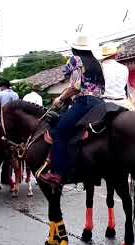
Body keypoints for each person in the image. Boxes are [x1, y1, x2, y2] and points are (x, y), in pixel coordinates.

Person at [39, 34, 106, 187]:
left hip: (84, 103)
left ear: (74, 48)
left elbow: (75, 87)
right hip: (99, 103)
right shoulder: (97, 62)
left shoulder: (76, 60)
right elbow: (101, 87)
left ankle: (57, 173)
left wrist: (60, 98)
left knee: (60, 132)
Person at [100, 43, 135, 111]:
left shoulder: (100, 67)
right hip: (123, 103)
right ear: (115, 55)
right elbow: (125, 87)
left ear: (103, 56)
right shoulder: (124, 68)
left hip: (105, 102)